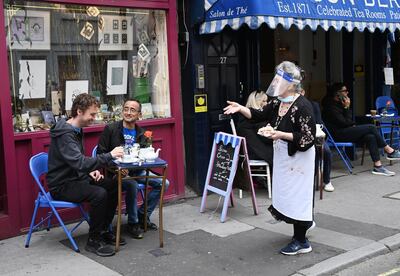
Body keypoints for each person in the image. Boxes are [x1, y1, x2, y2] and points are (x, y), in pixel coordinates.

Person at [224, 61, 316, 255]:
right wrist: (241, 108)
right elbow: (258, 115)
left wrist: (280, 135)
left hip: (299, 158)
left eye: (279, 78)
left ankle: (301, 241)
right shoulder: (277, 102)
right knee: (288, 194)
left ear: (291, 84)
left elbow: (308, 138)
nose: (275, 81)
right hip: (283, 154)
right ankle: (304, 224)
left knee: (298, 196)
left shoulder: (303, 106)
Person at [47, 94, 124, 257]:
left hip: (77, 177)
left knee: (112, 186)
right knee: (99, 194)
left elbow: (76, 162)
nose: (95, 118)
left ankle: (103, 229)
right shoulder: (65, 134)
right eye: (92, 114)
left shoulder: (76, 129)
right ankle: (93, 241)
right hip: (62, 185)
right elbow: (79, 162)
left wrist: (89, 170)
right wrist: (109, 155)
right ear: (79, 111)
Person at [97, 98, 170, 238]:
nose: (128, 112)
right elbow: (101, 154)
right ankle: (133, 223)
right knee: (132, 184)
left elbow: (144, 155)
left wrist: (147, 154)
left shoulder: (141, 133)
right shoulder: (111, 129)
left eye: (132, 110)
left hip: (138, 170)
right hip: (117, 172)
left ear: (139, 115)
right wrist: (116, 166)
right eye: (126, 109)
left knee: (163, 183)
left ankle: (143, 215)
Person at [322, 82, 400, 176]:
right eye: (345, 91)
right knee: (371, 127)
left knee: (370, 136)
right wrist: (347, 108)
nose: (347, 93)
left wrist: (348, 114)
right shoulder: (330, 107)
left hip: (346, 131)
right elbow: (345, 123)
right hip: (338, 135)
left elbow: (348, 122)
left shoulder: (340, 104)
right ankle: (389, 150)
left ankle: (378, 166)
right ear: (337, 93)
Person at [237, 90, 273, 187]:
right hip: (254, 152)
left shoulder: (246, 115)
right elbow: (266, 138)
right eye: (264, 101)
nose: (266, 104)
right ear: (256, 101)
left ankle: (262, 179)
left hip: (246, 151)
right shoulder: (256, 118)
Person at [300, 89, 334, 192]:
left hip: (315, 135)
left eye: (300, 92)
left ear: (303, 92)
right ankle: (310, 179)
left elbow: (319, 124)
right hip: (298, 138)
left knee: (326, 152)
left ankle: (327, 180)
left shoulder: (313, 105)